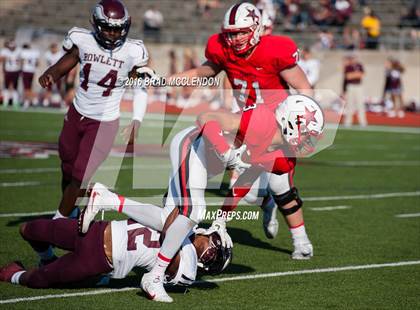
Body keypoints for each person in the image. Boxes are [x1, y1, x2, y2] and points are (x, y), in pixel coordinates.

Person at [138, 2, 316, 301]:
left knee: (280, 183)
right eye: (229, 34)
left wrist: (301, 122)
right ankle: (263, 203)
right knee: (245, 189)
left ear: (257, 30)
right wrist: (163, 81)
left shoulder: (276, 49)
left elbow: (305, 91)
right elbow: (202, 73)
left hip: (273, 123)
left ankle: (301, 240)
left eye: (240, 33)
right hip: (242, 119)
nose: (233, 40)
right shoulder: (222, 48)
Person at [37, 0, 149, 254]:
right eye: (108, 29)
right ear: (96, 25)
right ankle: (73, 210)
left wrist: (136, 120)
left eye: (118, 29)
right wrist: (53, 73)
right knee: (67, 170)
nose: (113, 34)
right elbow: (71, 58)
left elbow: (140, 88)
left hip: (105, 122)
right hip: (76, 114)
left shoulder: (132, 52)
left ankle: (56, 226)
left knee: (80, 175)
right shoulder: (82, 39)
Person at [0, 213, 232, 292]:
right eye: (215, 246)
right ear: (210, 232)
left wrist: (182, 212)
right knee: (28, 229)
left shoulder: (188, 265)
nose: (210, 253)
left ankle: (14, 275)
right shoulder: (188, 219)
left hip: (98, 260)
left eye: (213, 259)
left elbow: (168, 236)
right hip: (94, 229)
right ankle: (47, 258)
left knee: (39, 280)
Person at [342, 53, 367, 127]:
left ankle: (363, 122)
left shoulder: (360, 65)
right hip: (351, 86)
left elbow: (362, 74)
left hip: (358, 86)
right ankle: (348, 122)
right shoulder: (348, 66)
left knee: (360, 105)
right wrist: (356, 74)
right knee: (349, 105)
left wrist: (354, 74)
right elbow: (348, 77)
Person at [0, 39, 21, 108]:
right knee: (6, 86)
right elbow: (1, 60)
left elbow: (22, 60)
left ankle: (15, 102)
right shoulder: (5, 51)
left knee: (15, 87)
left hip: (15, 70)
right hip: (8, 70)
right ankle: (5, 102)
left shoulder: (18, 51)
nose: (12, 48)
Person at [43, 43, 65, 107]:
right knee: (48, 88)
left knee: (59, 88)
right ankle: (46, 100)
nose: (53, 49)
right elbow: (47, 64)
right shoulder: (47, 54)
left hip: (58, 74)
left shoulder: (60, 54)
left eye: (54, 48)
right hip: (49, 74)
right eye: (52, 48)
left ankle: (62, 101)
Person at [20, 43, 40, 108]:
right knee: (30, 87)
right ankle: (32, 100)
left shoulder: (24, 52)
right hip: (32, 71)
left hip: (26, 71)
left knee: (26, 88)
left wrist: (21, 70)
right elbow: (37, 63)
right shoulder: (34, 52)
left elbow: (22, 62)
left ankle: (30, 101)